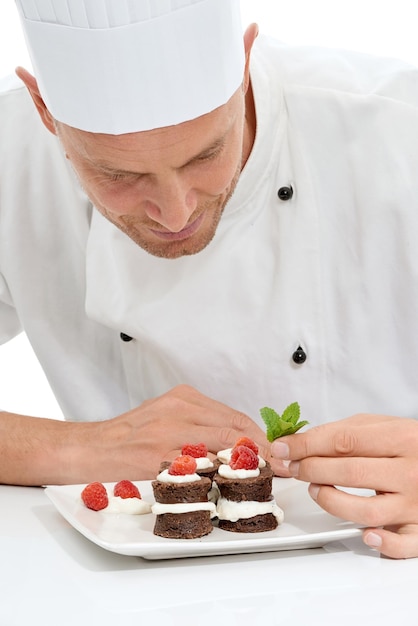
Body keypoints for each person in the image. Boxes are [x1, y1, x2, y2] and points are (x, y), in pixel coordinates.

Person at [1, 0, 418, 559]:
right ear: (43, 108)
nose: (175, 214)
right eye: (118, 174)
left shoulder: (397, 131)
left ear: (244, 65)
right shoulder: (11, 160)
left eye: (206, 153)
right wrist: (80, 447)